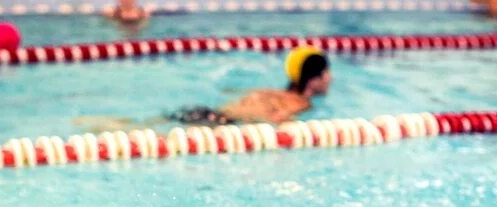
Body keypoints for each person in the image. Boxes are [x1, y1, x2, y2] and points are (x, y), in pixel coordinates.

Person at [72, 46, 331, 132]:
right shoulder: (301, 104)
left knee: (144, 125)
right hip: (220, 122)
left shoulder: (270, 91)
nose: (330, 80)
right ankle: (105, 126)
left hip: (209, 111)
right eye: (327, 74)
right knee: (146, 133)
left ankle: (100, 123)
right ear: (314, 80)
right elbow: (274, 121)